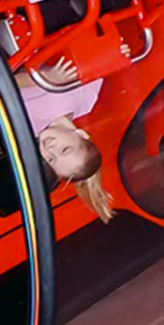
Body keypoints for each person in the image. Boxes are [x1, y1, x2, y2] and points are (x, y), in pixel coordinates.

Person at [20, 58, 117, 222]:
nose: (50, 149)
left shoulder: (24, 127)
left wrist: (45, 79)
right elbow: (96, 57)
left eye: (51, 159)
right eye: (65, 149)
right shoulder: (86, 101)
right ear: (81, 134)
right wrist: (116, 54)